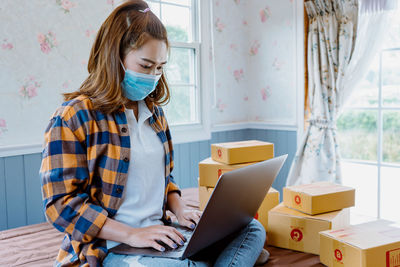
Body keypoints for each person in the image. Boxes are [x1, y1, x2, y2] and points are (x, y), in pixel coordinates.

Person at [40, 1, 269, 266]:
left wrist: (182, 211)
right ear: (115, 57)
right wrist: (133, 234)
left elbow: (165, 180)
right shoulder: (73, 116)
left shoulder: (155, 115)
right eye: (146, 65)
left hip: (161, 236)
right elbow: (61, 206)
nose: (154, 76)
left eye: (160, 67)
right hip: (113, 246)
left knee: (252, 229)